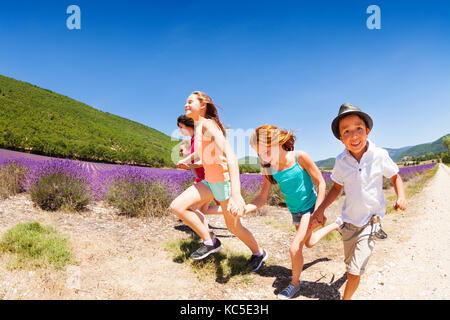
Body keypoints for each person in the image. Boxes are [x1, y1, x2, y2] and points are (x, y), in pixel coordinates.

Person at [311, 103, 407, 300]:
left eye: (358, 129)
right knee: (349, 265)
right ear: (340, 138)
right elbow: (336, 187)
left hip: (371, 222)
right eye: (347, 131)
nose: (354, 135)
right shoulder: (341, 161)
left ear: (367, 131)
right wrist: (320, 210)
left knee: (354, 271)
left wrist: (401, 196)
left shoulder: (379, 155)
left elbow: (395, 177)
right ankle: (339, 226)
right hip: (349, 222)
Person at [169, 91, 267, 272]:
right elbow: (203, 152)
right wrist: (188, 161)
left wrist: (236, 195)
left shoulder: (208, 125)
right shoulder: (199, 127)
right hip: (209, 182)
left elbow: (230, 156)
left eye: (190, 101)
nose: (186, 105)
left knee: (234, 227)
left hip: (223, 184)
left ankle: (259, 253)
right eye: (185, 102)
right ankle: (210, 241)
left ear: (203, 105)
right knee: (177, 206)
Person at [244, 124, 338, 299]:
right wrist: (246, 208)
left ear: (276, 142)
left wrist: (318, 211)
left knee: (295, 249)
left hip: (310, 208)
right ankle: (336, 225)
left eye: (264, 151)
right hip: (295, 212)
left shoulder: (299, 157)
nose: (261, 157)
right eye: (258, 153)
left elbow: (322, 183)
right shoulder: (268, 167)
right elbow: (262, 197)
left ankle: (294, 285)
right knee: (308, 243)